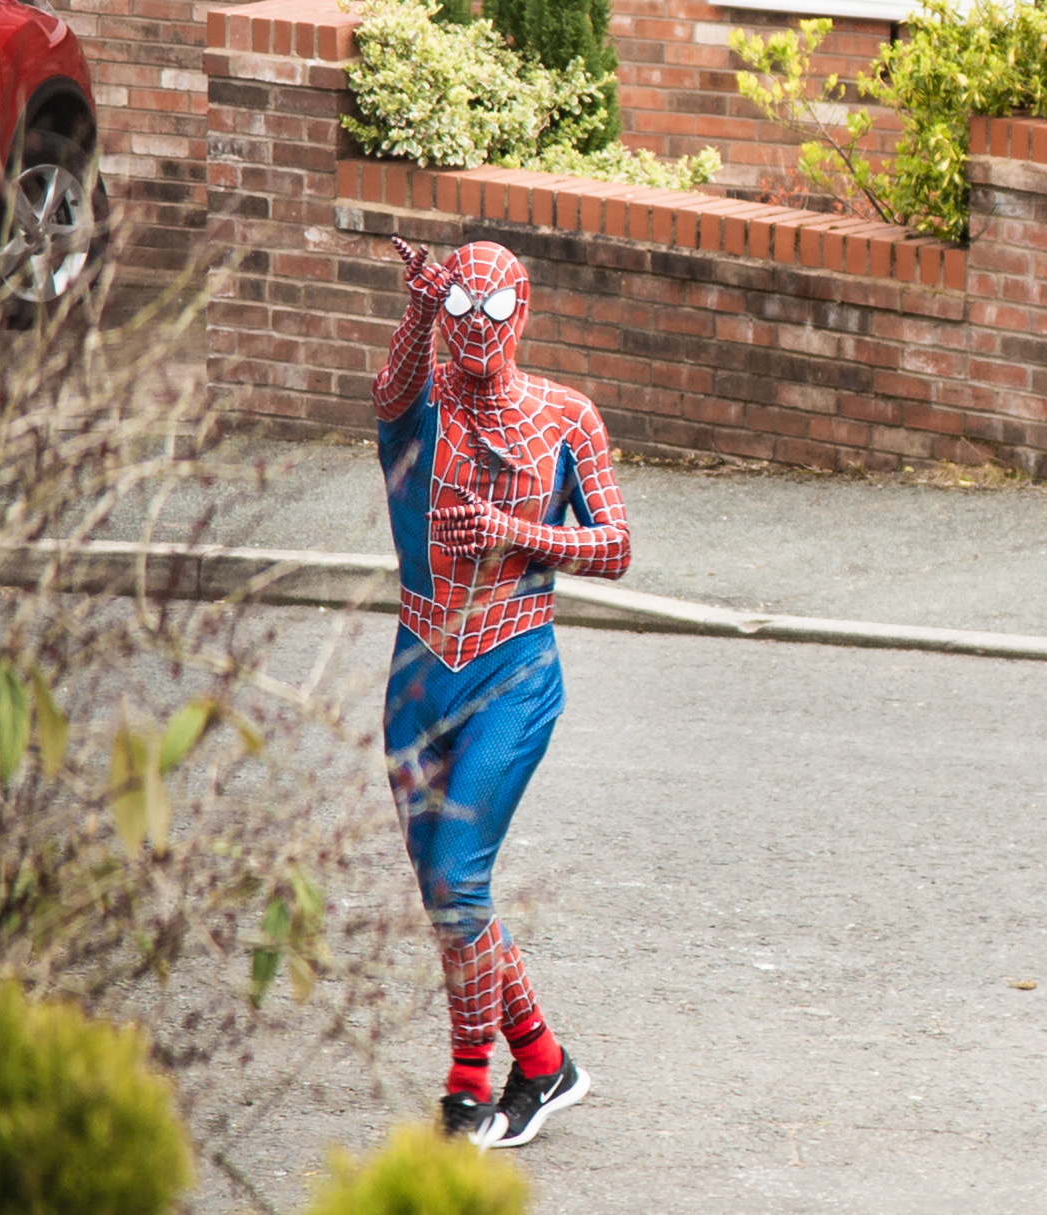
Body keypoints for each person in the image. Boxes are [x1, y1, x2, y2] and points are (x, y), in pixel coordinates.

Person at [373, 236, 631, 1149]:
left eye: (491, 311)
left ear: (520, 314)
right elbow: (391, 392)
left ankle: (468, 1091)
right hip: (417, 668)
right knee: (449, 894)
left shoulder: (567, 418)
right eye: (458, 311)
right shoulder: (421, 408)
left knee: (455, 878)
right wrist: (415, 305)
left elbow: (616, 546)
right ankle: (545, 1061)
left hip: (516, 668)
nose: (473, 329)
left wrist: (515, 531)